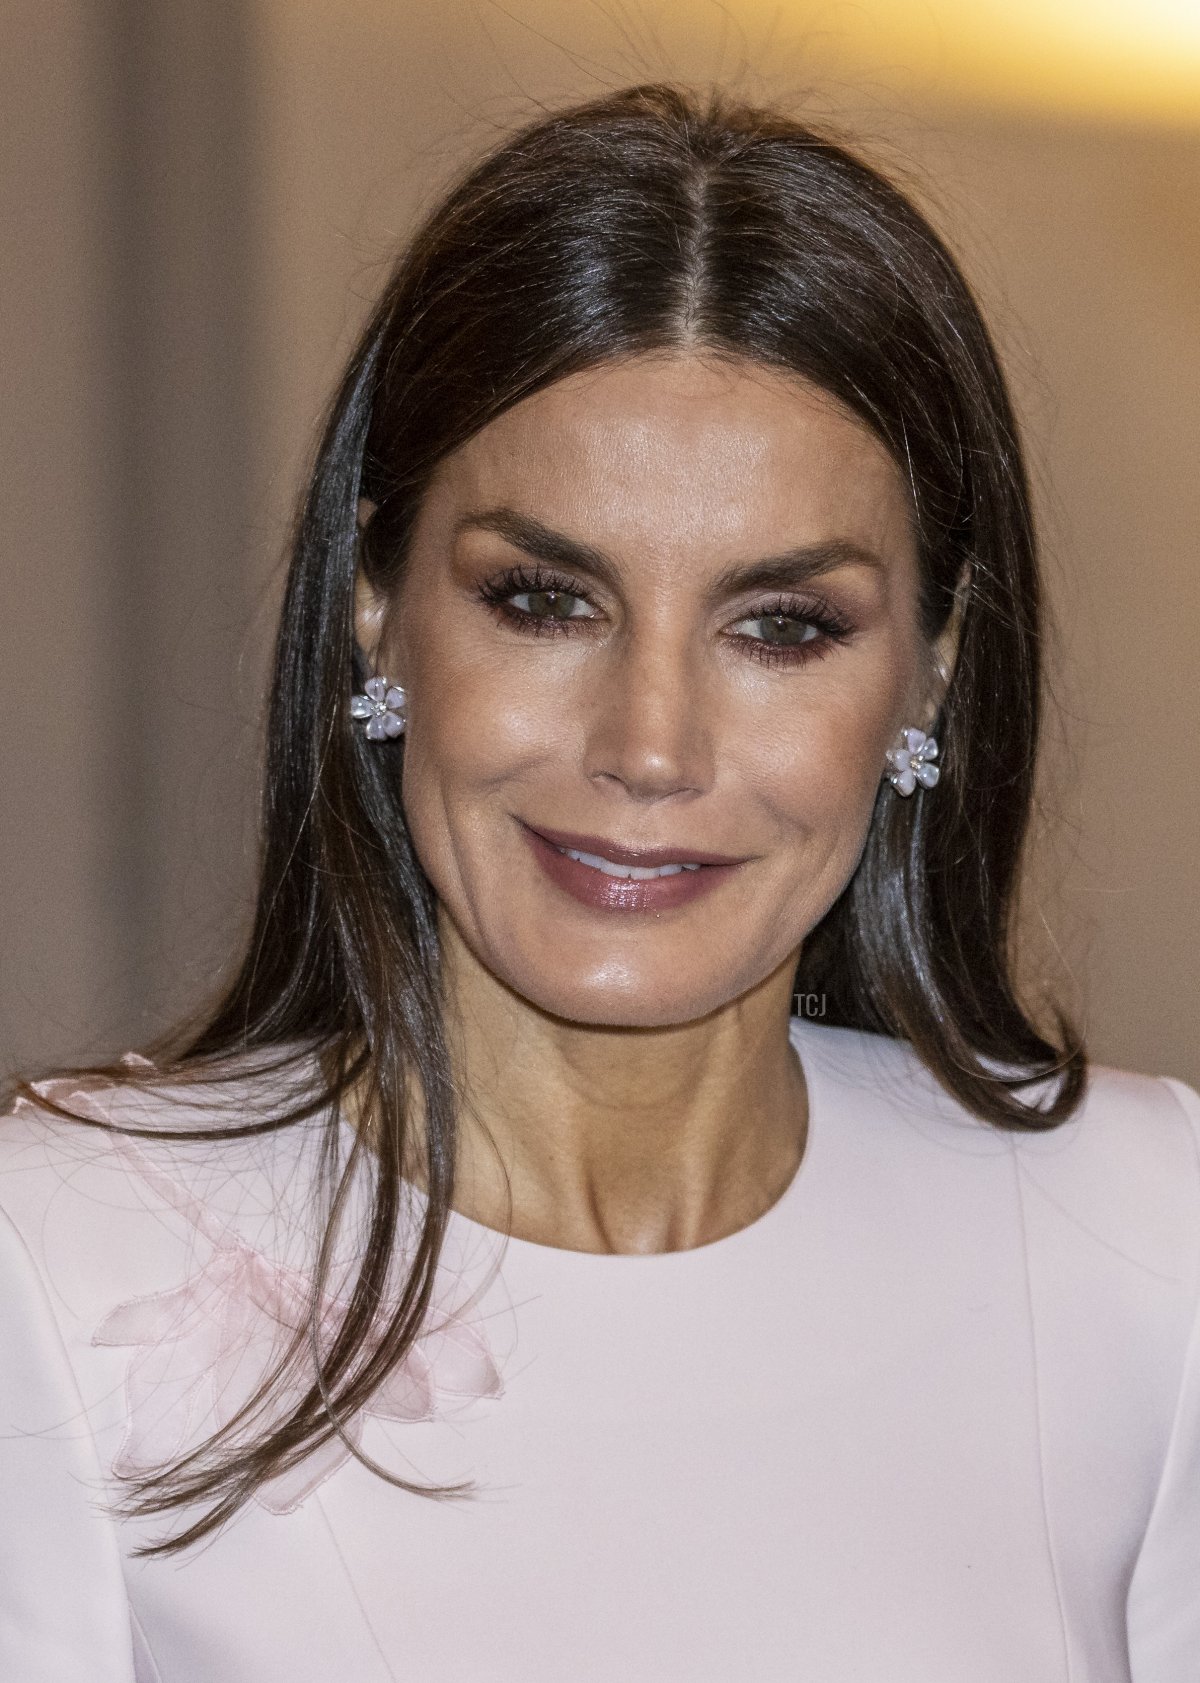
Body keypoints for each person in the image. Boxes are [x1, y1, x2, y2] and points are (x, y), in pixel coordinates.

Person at [1, 81, 1196, 1683]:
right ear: (379, 608)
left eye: (784, 626)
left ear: (933, 673)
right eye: (545, 599)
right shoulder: (54, 1259)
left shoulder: (1146, 1236)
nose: (650, 746)